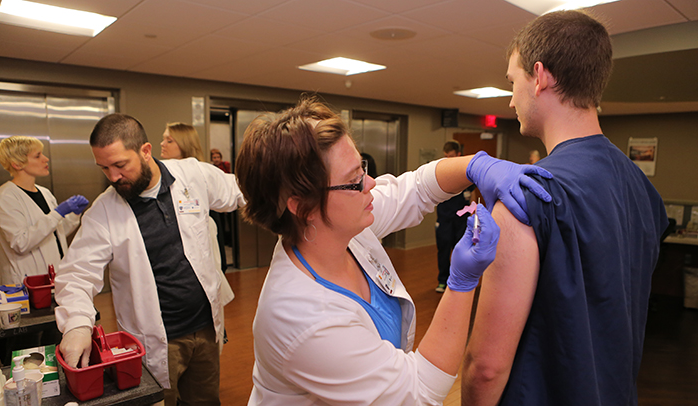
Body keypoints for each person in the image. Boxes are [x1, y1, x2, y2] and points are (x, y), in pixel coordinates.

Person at [235, 96, 553, 405]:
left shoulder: (342, 229)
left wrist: (476, 165)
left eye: (363, 170)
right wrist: (461, 283)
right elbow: (418, 394)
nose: (370, 184)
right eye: (353, 181)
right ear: (303, 207)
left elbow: (415, 188)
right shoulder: (301, 318)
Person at [460, 10, 669, 406]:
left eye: (513, 81)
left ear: (539, 77)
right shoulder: (643, 190)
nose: (510, 98)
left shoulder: (527, 197)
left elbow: (486, 367)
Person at [54, 114, 245, 406]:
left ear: (145, 151)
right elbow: (76, 275)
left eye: (120, 165)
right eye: (104, 167)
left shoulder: (192, 175)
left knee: (205, 401)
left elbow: (238, 192)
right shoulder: (104, 212)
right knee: (158, 400)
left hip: (206, 329)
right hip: (157, 340)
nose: (113, 176)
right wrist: (78, 323)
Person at [159, 121, 235, 345]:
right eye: (163, 138)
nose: (162, 144)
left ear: (184, 143)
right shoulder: (159, 178)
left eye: (169, 140)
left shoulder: (201, 174)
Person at [0, 136, 87, 285]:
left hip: (55, 275)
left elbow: (56, 233)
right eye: (37, 156)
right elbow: (20, 243)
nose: (45, 159)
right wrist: (57, 213)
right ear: (17, 164)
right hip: (26, 281)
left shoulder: (44, 192)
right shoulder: (5, 197)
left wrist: (74, 215)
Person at [434, 141, 471, 293]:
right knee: (443, 251)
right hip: (444, 219)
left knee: (460, 250)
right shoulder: (441, 171)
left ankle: (458, 280)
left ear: (458, 155)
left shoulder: (466, 172)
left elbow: (471, 194)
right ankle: (443, 281)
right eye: (445, 156)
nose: (447, 159)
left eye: (450, 156)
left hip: (461, 219)